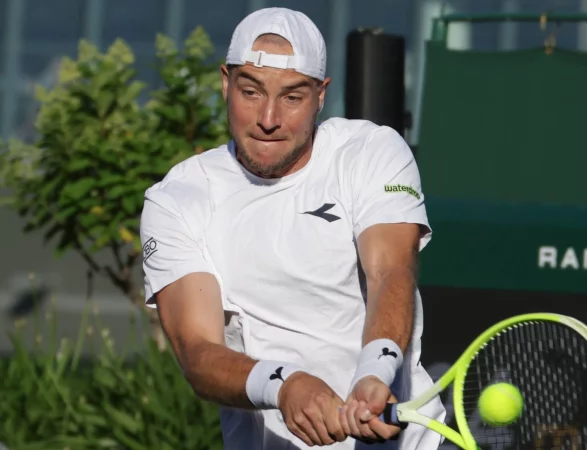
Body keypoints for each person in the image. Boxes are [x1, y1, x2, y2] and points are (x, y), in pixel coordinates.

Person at [138, 6, 446, 450]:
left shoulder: (371, 151)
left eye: (292, 97)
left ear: (321, 95)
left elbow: (391, 272)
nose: (268, 117)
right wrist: (283, 386)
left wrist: (374, 371)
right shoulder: (177, 199)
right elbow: (198, 352)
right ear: (225, 83)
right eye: (250, 92)